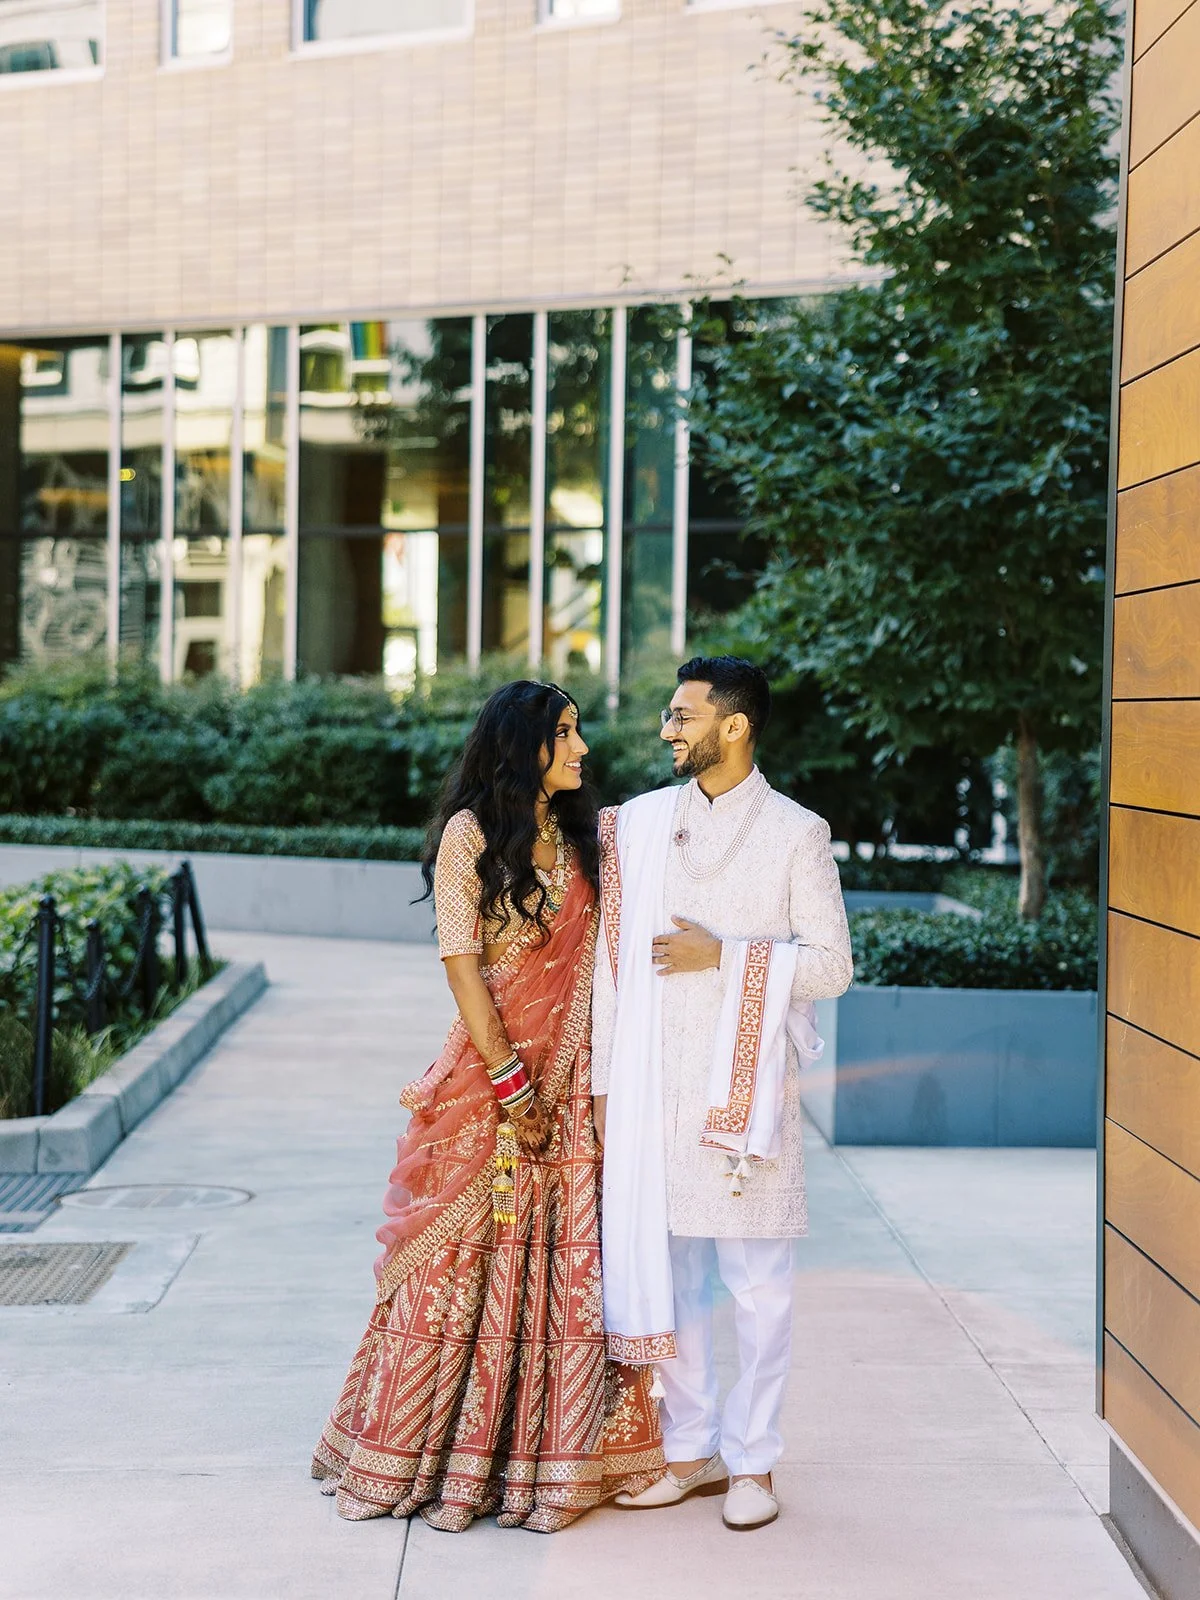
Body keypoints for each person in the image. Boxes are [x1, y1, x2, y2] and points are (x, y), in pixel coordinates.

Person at [313, 680, 663, 1533]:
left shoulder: (590, 838)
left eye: (580, 733)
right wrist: (510, 1084)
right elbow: (463, 966)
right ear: (523, 744)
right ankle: (432, 1451)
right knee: (460, 1261)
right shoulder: (470, 837)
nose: (582, 749)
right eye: (567, 734)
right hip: (490, 1085)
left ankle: (541, 1457)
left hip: (575, 1081)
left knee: (558, 1263)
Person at [592, 656, 853, 1531]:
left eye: (682, 716)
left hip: (744, 1098)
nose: (667, 730)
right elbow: (609, 962)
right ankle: (690, 1449)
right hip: (654, 1089)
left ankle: (755, 1465)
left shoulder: (795, 833)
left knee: (758, 1289)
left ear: (732, 726)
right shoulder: (642, 826)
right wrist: (602, 1081)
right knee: (679, 1283)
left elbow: (833, 966)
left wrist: (728, 954)